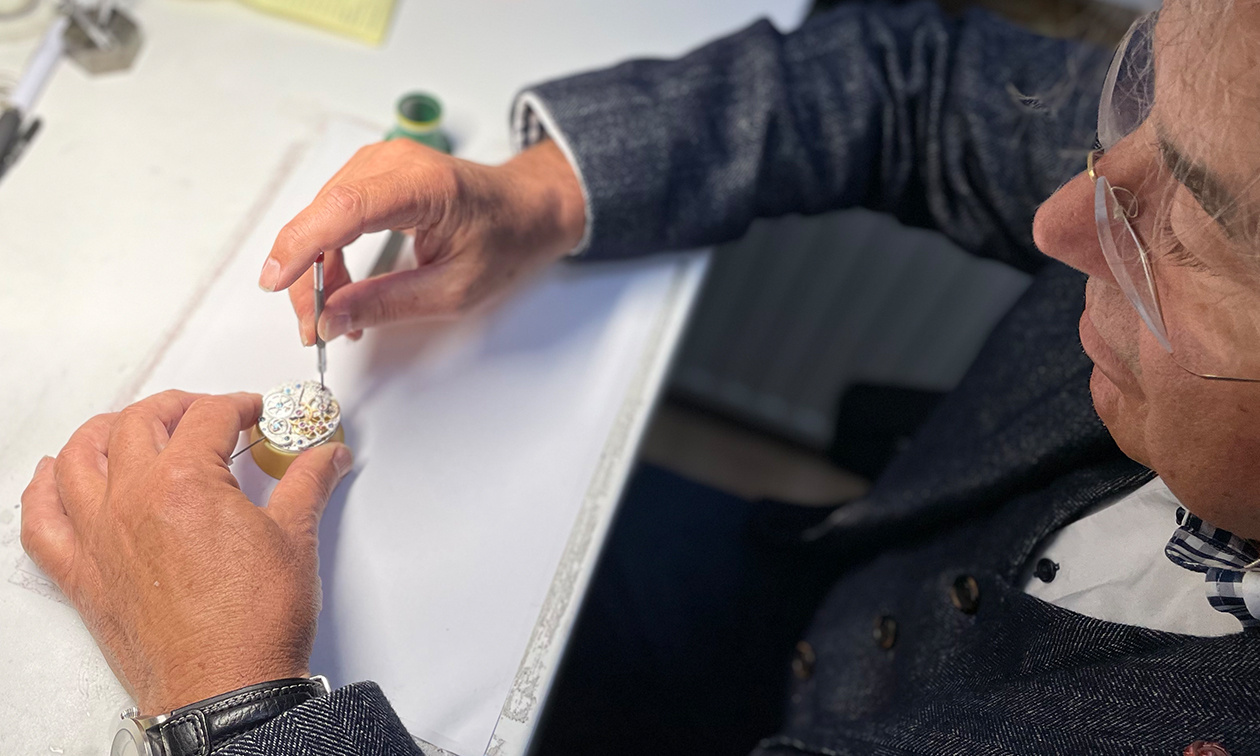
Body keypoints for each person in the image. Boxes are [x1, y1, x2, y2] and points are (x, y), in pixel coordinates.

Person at [21, 0, 1260, 753]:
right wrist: (541, 194)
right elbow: (913, 86)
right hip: (819, 601)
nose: (1058, 222)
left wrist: (233, 705)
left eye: (1193, 230)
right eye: (1134, 101)